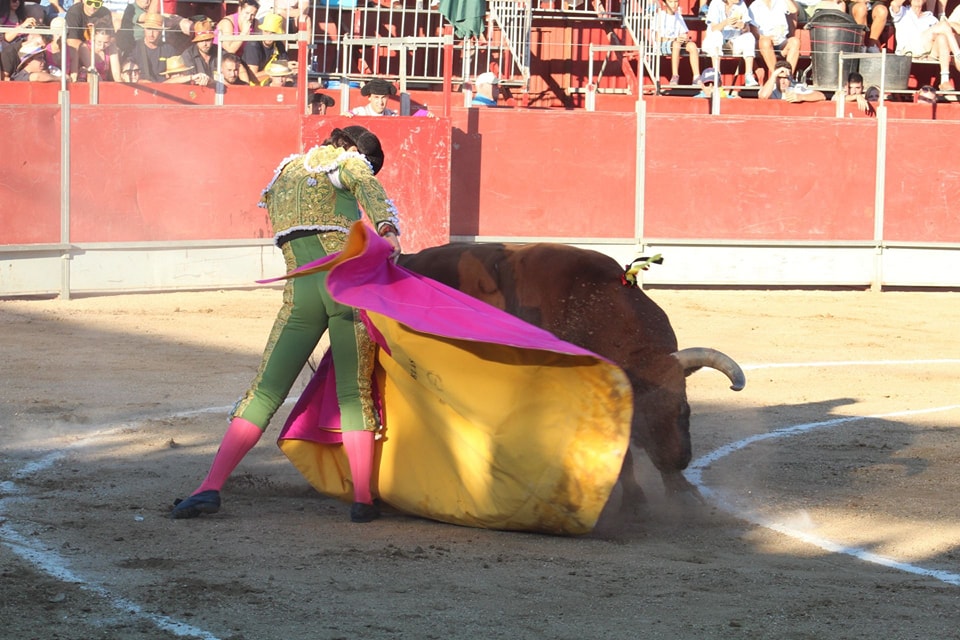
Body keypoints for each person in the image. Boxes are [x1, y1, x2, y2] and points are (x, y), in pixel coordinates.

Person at [170, 125, 402, 524]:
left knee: (264, 392)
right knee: (354, 392)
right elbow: (367, 186)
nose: (365, 167)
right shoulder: (347, 163)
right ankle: (362, 499)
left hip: (300, 299)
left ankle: (209, 487)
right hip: (346, 290)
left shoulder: (283, 173)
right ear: (352, 150)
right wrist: (388, 228)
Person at [890, 0, 960, 91]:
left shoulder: (930, 18)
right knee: (943, 25)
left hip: (927, 52)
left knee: (942, 37)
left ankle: (944, 81)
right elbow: (894, 4)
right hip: (908, 50)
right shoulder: (903, 12)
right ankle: (958, 54)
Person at [702, 0, 759, 86]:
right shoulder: (715, 3)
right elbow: (714, 28)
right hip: (714, 42)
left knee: (749, 36)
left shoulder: (741, 4)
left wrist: (743, 26)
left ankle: (749, 75)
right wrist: (726, 22)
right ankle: (717, 74)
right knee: (717, 35)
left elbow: (747, 29)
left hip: (733, 41)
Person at [653, 0, 702, 86]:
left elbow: (684, 33)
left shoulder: (678, 16)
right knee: (676, 44)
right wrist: (675, 39)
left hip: (677, 43)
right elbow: (658, 38)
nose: (674, 5)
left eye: (676, 2)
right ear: (664, 3)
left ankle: (696, 77)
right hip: (663, 44)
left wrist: (685, 39)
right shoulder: (659, 16)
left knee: (692, 45)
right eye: (671, 2)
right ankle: (675, 76)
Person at [64, 0, 115, 81]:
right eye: (89, 3)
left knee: (114, 48)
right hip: (81, 50)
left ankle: (117, 79)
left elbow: (111, 37)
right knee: (82, 47)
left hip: (98, 45)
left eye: (97, 4)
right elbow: (71, 41)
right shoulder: (74, 12)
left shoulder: (105, 12)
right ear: (83, 1)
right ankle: (93, 75)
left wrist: (98, 45)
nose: (93, 7)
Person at [751, 0, 800, 77]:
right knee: (765, 42)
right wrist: (766, 38)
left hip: (781, 41)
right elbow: (753, 31)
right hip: (764, 42)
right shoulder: (755, 5)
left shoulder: (780, 2)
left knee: (795, 41)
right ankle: (777, 77)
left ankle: (788, 77)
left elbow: (794, 10)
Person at [242, 11, 286, 85]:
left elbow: (284, 72)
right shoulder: (253, 45)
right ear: (262, 30)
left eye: (273, 33)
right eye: (266, 31)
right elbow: (254, 78)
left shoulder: (279, 45)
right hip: (251, 87)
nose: (268, 35)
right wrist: (276, 70)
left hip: (270, 83)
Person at [129, 11, 175, 82]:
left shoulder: (168, 50)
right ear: (144, 29)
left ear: (160, 31)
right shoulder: (134, 47)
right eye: (149, 29)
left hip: (163, 88)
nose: (151, 34)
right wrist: (139, 81)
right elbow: (126, 72)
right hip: (140, 89)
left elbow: (175, 74)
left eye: (155, 30)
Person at [758, 58, 827, 100]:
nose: (783, 82)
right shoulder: (770, 88)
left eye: (786, 78)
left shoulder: (796, 88)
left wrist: (801, 97)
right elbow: (763, 97)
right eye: (779, 78)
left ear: (791, 78)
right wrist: (773, 75)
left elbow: (821, 96)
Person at [178, 17, 217, 86]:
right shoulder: (188, 55)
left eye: (208, 40)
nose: (205, 44)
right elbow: (188, 81)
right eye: (201, 41)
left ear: (212, 39)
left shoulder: (220, 52)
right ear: (196, 41)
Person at [77, 15, 118, 81]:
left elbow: (116, 74)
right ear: (93, 37)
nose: (102, 46)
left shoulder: (111, 47)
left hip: (104, 83)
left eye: (106, 42)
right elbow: (93, 71)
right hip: (90, 82)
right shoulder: (84, 47)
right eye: (99, 42)